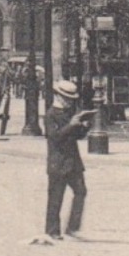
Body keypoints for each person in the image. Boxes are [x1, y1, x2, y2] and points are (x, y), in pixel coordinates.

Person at [33, 80, 91, 244]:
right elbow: (54, 137)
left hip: (73, 161)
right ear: (58, 95)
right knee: (55, 197)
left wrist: (84, 126)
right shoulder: (51, 114)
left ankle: (72, 227)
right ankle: (52, 231)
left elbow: (76, 136)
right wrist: (72, 125)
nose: (69, 101)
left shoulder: (69, 113)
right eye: (66, 97)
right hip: (58, 162)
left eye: (71, 98)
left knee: (81, 191)